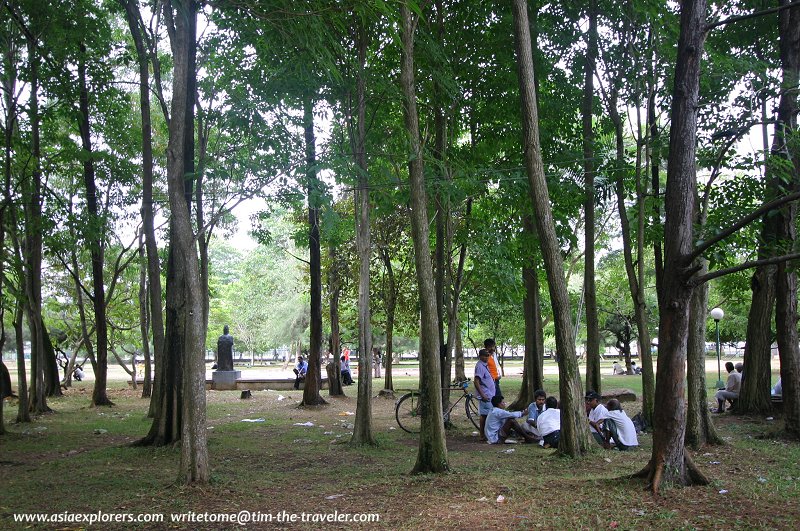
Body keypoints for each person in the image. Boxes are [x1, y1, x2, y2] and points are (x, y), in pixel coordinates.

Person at [474, 348, 495, 442]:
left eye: (488, 355)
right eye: (485, 355)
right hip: (485, 394)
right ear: (480, 356)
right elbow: (476, 381)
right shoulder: (479, 366)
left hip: (490, 394)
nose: (487, 357)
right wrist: (482, 394)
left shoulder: (485, 365)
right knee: (484, 415)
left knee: (488, 414)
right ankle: (482, 435)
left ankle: (486, 433)